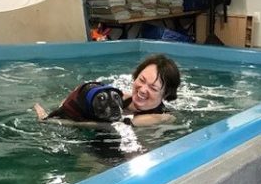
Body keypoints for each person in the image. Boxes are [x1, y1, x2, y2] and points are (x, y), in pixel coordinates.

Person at [34, 53, 181, 128]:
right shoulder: (124, 98)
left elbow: (110, 126)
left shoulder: (159, 117)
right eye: (141, 80)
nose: (142, 90)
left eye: (153, 88)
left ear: (166, 94)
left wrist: (51, 121)